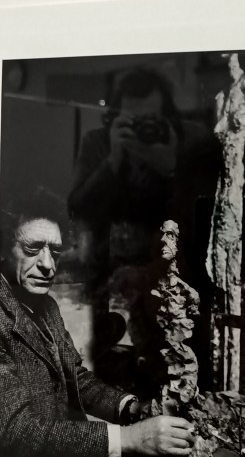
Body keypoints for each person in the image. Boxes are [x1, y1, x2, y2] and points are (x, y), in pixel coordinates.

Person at [0, 189, 195, 457]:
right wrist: (130, 439)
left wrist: (129, 407)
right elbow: (18, 433)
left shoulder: (47, 306)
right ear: (3, 249)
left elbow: (76, 377)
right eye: (33, 248)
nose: (48, 264)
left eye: (55, 251)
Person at [67, 68, 186, 392]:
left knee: (164, 376)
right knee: (105, 375)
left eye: (151, 120)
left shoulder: (178, 143)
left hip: (164, 285)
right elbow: (78, 208)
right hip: (106, 283)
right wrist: (113, 160)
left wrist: (171, 167)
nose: (144, 129)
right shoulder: (98, 142)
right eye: (133, 121)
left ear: (166, 117)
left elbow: (198, 217)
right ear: (115, 117)